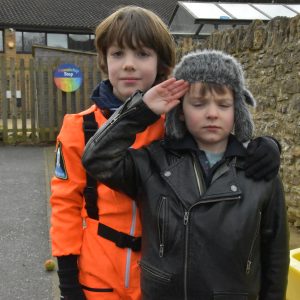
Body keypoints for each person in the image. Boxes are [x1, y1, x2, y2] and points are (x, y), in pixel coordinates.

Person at [50, 5, 281, 300]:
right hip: (99, 275)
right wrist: (68, 282)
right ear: (104, 60)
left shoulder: (174, 125)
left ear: (161, 64)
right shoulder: (79, 127)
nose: (129, 65)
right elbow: (65, 207)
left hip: (162, 278)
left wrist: (265, 145)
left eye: (142, 54)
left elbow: (219, 141)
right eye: (118, 54)